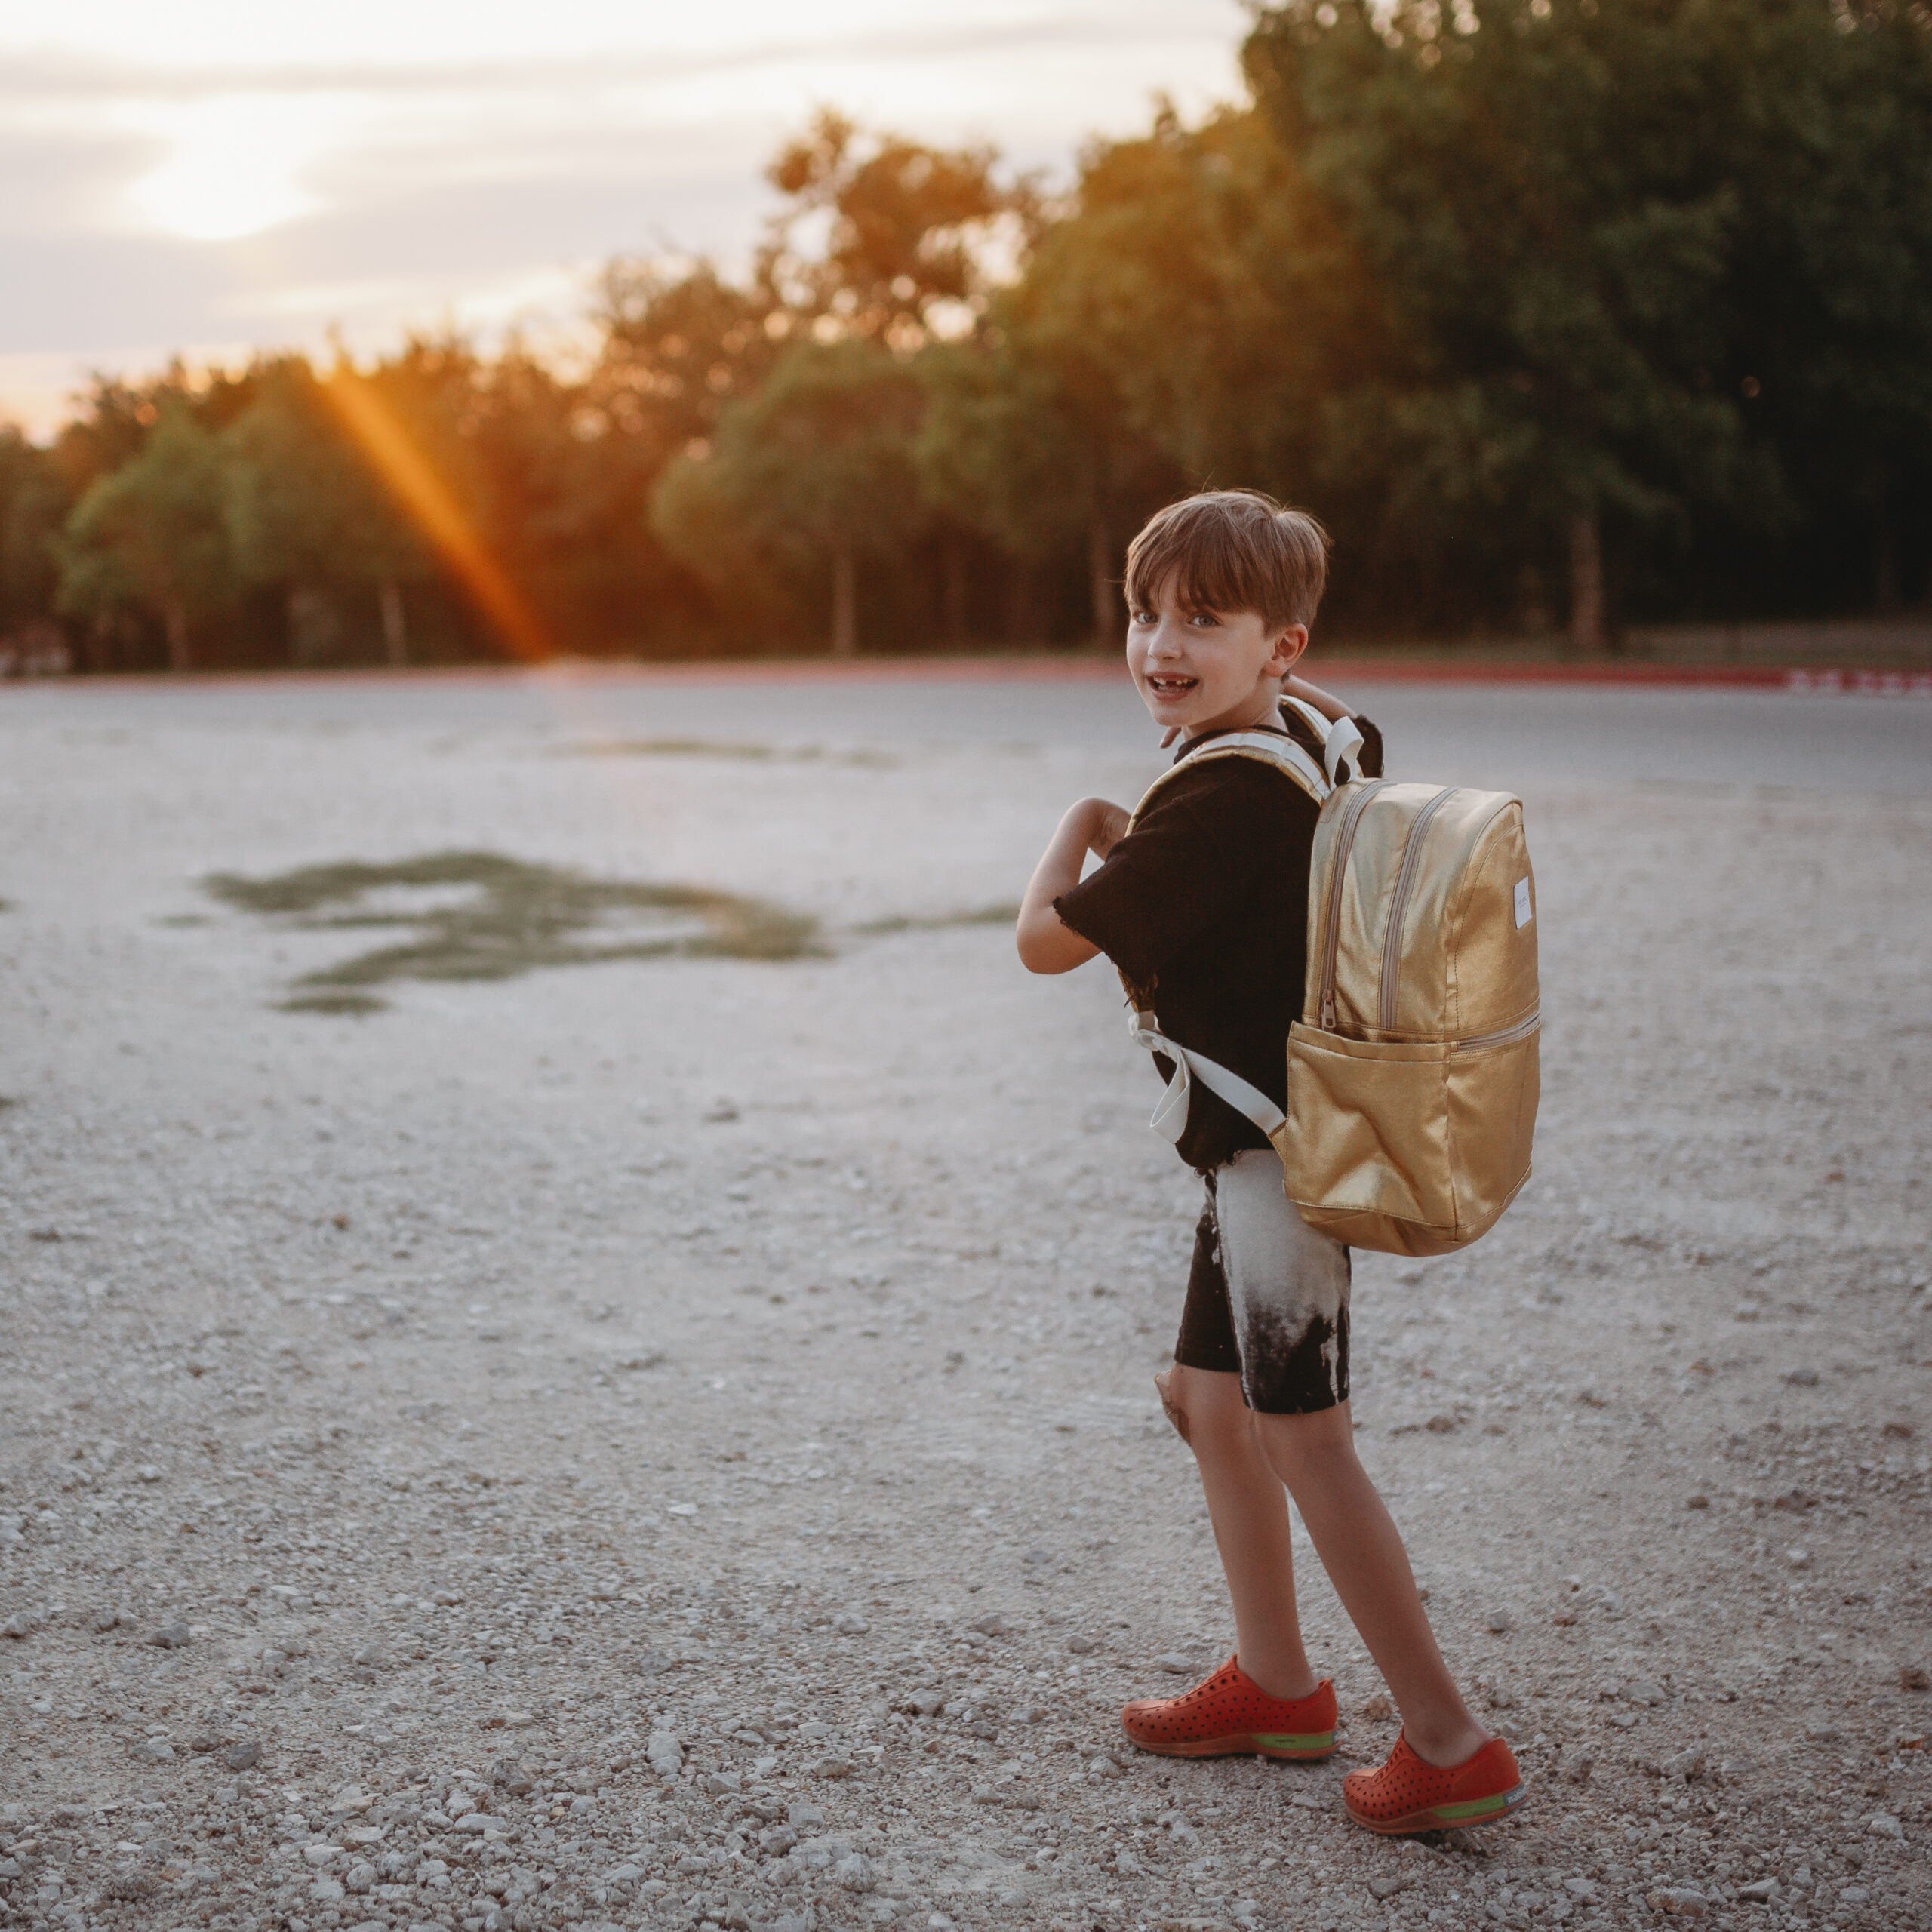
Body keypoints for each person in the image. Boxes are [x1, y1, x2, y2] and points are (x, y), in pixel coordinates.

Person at [1014, 490, 1524, 1836]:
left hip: (1274, 1155)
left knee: (1307, 1437)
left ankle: (1449, 1740)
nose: (1161, 645)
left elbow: (1047, 943)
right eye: (1145, 614)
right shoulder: (1315, 729)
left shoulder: (1221, 786)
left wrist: (1078, 820)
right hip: (1262, 1139)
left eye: (1203, 619)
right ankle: (1280, 1686)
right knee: (1205, 1397)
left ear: (1279, 642)